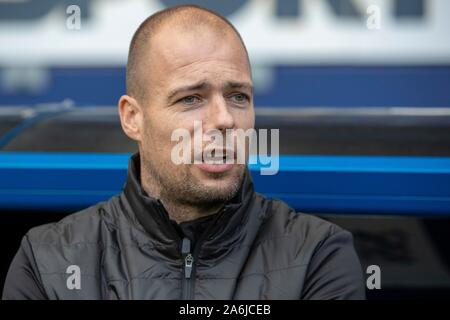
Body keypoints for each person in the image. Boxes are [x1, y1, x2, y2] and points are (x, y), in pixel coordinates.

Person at [2, 5, 365, 299]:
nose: (224, 119)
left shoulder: (317, 255)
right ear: (133, 118)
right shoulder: (48, 260)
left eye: (238, 96)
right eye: (191, 98)